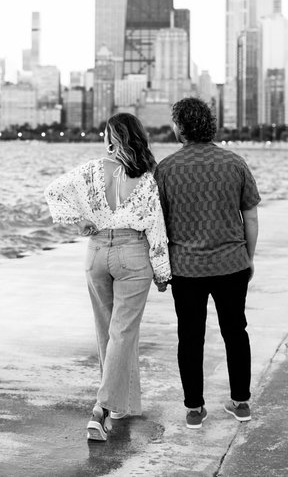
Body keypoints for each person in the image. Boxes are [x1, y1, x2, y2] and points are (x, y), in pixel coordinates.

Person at [44, 112, 171, 442]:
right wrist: (162, 273)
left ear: (112, 139)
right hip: (132, 255)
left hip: (97, 252)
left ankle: (122, 405)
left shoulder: (90, 170)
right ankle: (101, 408)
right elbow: (156, 229)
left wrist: (80, 221)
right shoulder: (145, 179)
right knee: (123, 333)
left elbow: (53, 192)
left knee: (108, 333)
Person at [154, 97, 260, 429]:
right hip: (232, 263)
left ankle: (194, 409)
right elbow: (251, 216)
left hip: (186, 268)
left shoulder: (167, 169)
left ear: (180, 127)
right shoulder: (235, 163)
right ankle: (241, 402)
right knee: (235, 330)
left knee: (190, 336)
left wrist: (159, 267)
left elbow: (158, 224)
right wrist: (249, 257)